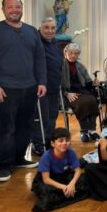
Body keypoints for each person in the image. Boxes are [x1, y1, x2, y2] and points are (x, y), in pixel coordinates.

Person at [0, 0, 46, 182]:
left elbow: (40, 58)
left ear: (22, 8)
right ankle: (4, 166)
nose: (14, 10)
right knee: (7, 129)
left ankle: (19, 159)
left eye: (17, 7)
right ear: (3, 10)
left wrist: (41, 81)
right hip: (6, 89)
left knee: (25, 126)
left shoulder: (32, 31)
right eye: (10, 7)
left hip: (30, 87)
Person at [31, 127, 88, 212]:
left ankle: (67, 192)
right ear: (53, 143)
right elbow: (46, 179)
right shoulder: (46, 156)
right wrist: (63, 187)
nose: (64, 143)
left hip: (64, 176)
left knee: (86, 180)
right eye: (61, 141)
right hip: (50, 179)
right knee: (47, 194)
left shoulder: (71, 152)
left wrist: (72, 184)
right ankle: (68, 193)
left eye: (67, 140)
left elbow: (78, 170)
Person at [31, 17, 64, 156]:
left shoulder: (55, 42)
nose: (50, 31)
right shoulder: (35, 41)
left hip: (54, 85)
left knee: (52, 116)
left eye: (53, 28)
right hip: (41, 86)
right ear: (40, 27)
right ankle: (38, 144)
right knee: (41, 117)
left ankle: (49, 141)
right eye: (46, 27)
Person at [61, 43, 101, 143]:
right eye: (71, 53)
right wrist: (66, 93)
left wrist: (93, 83)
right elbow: (56, 84)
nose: (73, 55)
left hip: (81, 91)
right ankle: (84, 132)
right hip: (68, 94)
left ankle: (92, 130)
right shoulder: (60, 64)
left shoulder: (80, 66)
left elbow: (87, 82)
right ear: (65, 53)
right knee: (82, 103)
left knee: (93, 100)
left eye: (76, 53)